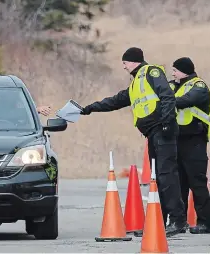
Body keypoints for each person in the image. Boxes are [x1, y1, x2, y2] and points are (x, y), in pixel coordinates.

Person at [80, 47, 187, 237]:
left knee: (166, 175)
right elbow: (114, 101)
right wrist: (89, 108)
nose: (123, 66)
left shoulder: (151, 72)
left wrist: (167, 124)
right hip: (153, 133)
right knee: (158, 178)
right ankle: (159, 222)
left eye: (124, 62)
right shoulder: (135, 84)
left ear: (133, 61)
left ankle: (178, 221)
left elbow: (167, 97)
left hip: (162, 131)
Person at [168, 57, 210, 234]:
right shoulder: (174, 86)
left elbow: (186, 101)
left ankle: (205, 223)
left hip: (195, 141)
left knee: (197, 183)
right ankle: (180, 222)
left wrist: (166, 100)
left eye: (175, 70)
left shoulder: (199, 86)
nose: (173, 73)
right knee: (180, 184)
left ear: (184, 71)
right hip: (177, 140)